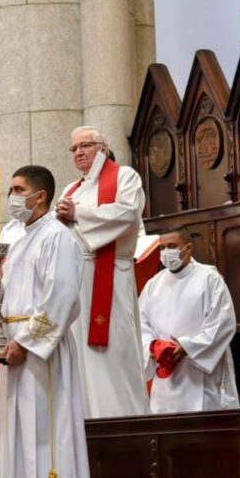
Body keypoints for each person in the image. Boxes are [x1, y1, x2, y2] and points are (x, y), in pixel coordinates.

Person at [0, 165, 95, 478]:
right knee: (15, 438)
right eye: (10, 189)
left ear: (41, 197)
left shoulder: (57, 238)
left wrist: (27, 343)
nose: (12, 197)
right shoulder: (16, 240)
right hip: (15, 348)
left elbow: (62, 297)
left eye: (18, 189)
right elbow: (3, 304)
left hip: (40, 355)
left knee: (46, 436)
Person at [56, 126, 149, 418]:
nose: (79, 153)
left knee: (113, 353)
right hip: (76, 280)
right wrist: (59, 220)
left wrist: (76, 215)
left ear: (104, 148)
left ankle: (122, 419)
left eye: (86, 146)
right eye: (73, 149)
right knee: (79, 356)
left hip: (110, 274)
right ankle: (83, 418)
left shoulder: (125, 177)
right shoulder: (71, 189)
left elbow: (126, 214)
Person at [139, 226, 240, 413]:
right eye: (162, 248)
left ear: (188, 248)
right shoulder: (153, 285)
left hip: (201, 375)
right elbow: (140, 326)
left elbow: (223, 323)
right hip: (166, 378)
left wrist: (188, 347)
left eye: (172, 246)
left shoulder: (209, 278)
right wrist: (153, 347)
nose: (166, 253)